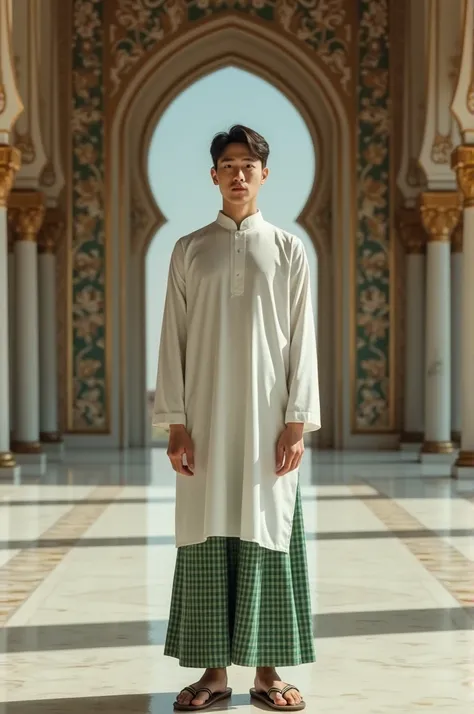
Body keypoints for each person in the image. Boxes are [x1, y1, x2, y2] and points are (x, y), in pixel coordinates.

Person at [153, 124, 320, 712]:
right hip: (203, 419)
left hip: (268, 424)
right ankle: (214, 673)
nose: (239, 173)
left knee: (266, 531)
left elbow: (303, 337)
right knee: (206, 536)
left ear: (264, 175)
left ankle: (269, 674)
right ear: (214, 175)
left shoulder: (289, 249)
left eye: (249, 164)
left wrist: (297, 419)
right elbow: (171, 338)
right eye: (229, 164)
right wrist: (175, 420)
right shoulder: (189, 249)